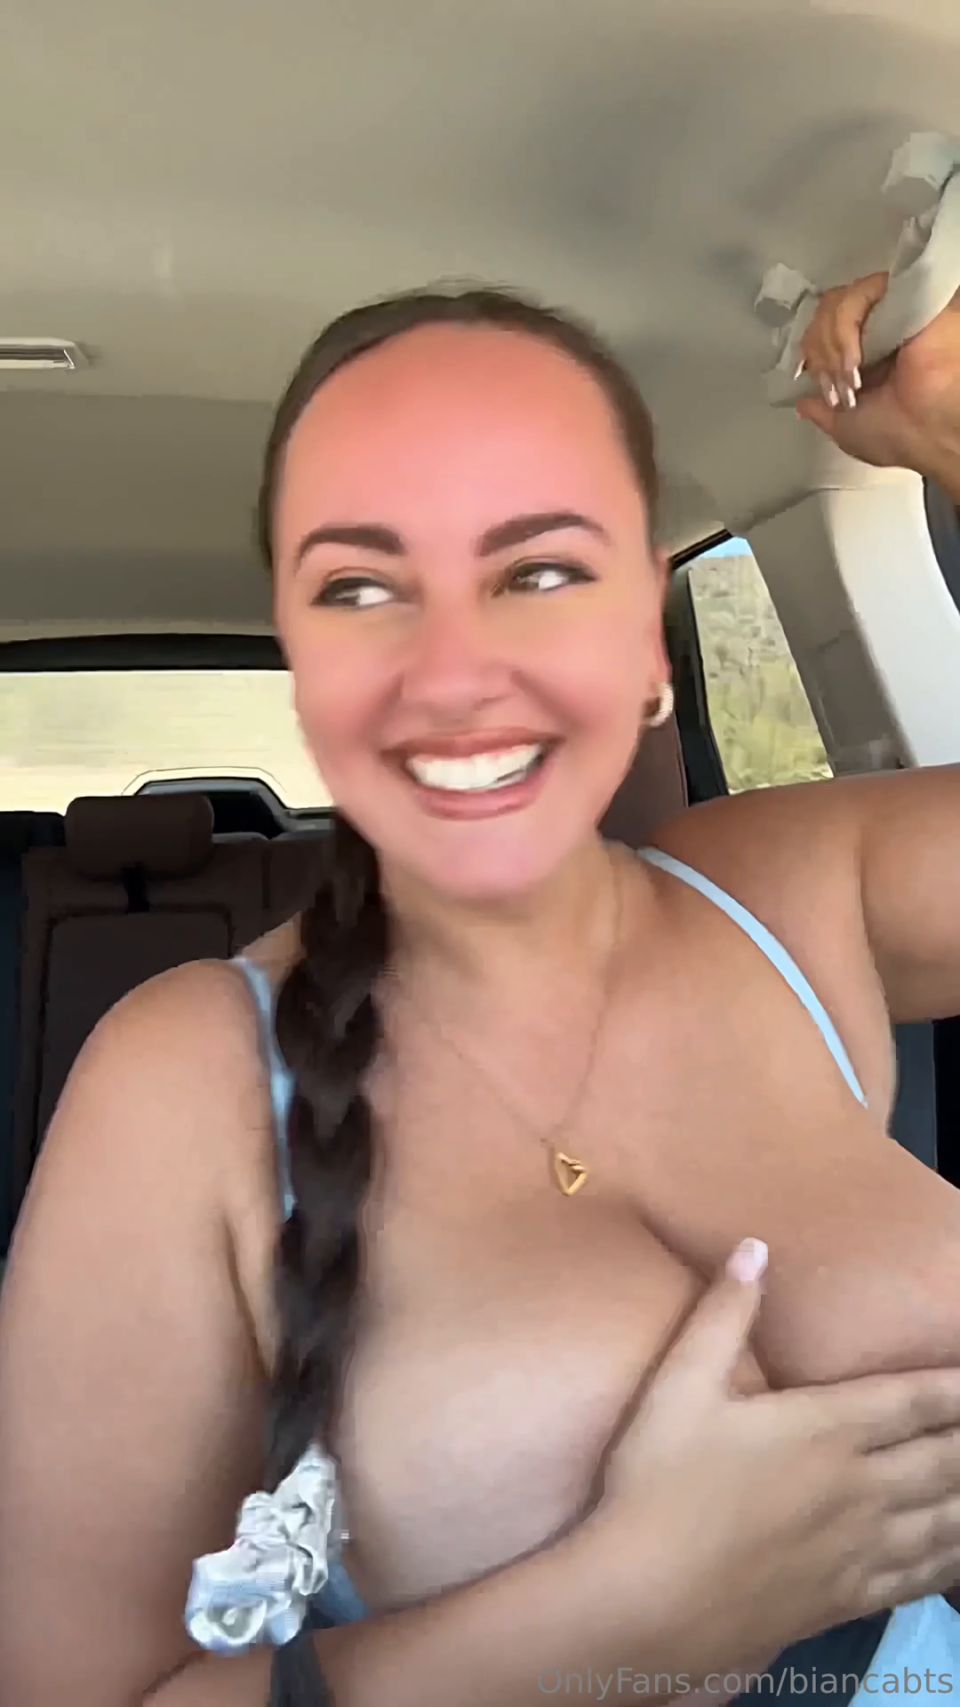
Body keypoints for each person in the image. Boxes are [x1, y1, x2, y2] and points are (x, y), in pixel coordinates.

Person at [1, 275, 960, 1707]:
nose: (453, 674)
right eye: (360, 589)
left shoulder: (791, 891)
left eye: (541, 571)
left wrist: (951, 443)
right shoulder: (186, 1082)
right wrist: (623, 1614)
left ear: (650, 632)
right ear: (299, 657)